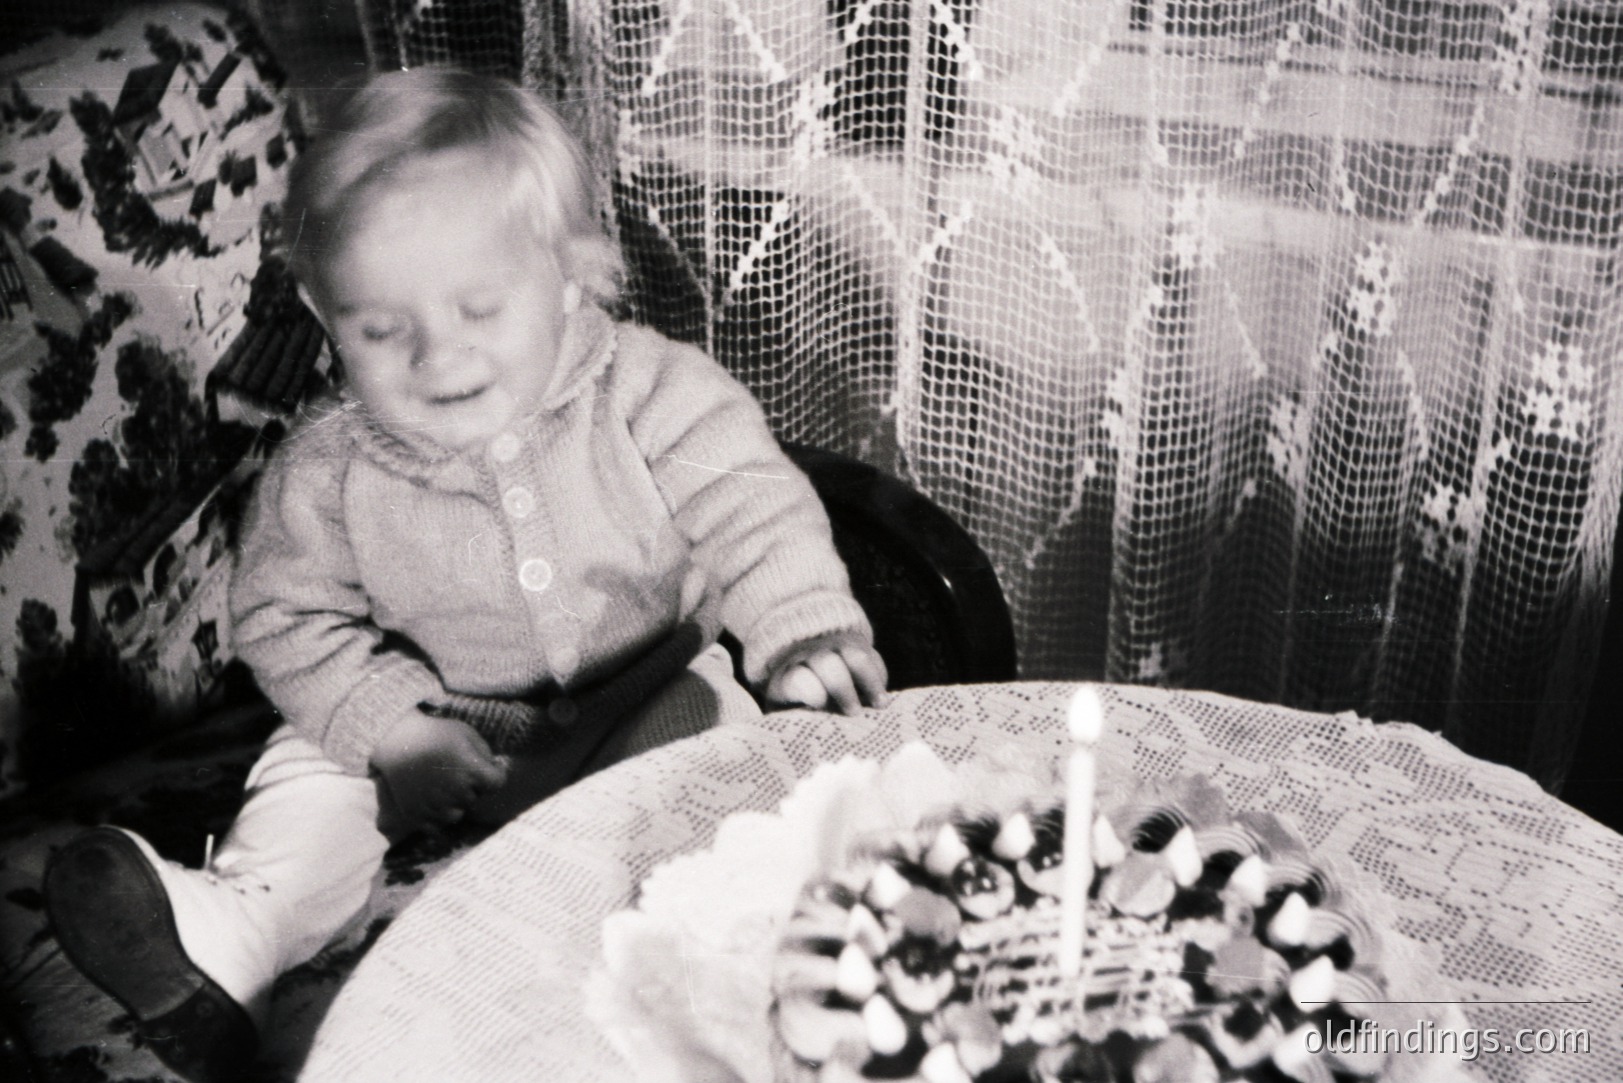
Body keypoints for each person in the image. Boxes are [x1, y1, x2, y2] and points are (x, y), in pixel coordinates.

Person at [42, 67, 887, 1083]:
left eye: (480, 307)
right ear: (321, 310)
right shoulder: (327, 465)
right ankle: (230, 941)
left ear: (572, 272)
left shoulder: (656, 392)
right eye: (381, 330)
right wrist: (390, 728)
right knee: (306, 778)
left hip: (640, 697)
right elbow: (278, 615)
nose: (438, 357)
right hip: (429, 735)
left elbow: (750, 499)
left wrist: (803, 629)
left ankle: (701, 960)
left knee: (718, 783)